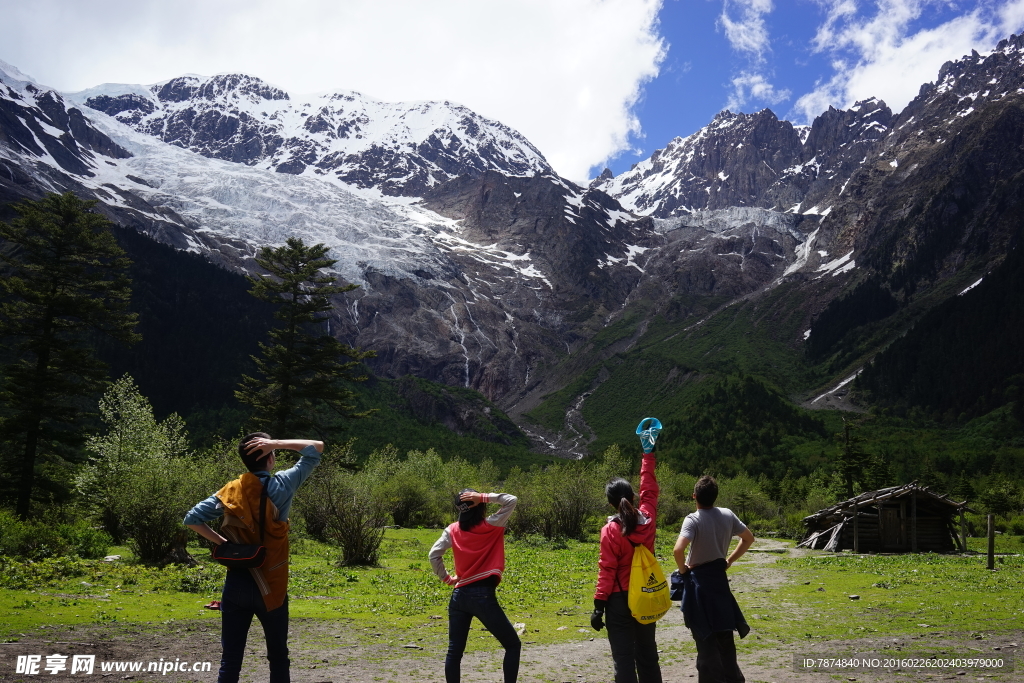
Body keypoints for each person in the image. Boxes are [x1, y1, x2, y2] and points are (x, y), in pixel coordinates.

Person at [184, 432, 323, 683]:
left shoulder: (232, 491)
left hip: (237, 583)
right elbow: (316, 448)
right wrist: (277, 443)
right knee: (278, 656)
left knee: (231, 658)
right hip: (272, 584)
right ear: (270, 458)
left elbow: (192, 519)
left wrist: (223, 543)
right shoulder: (283, 484)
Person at [591, 422, 662, 683]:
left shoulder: (610, 530)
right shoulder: (648, 518)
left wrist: (599, 606)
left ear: (610, 502)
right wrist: (648, 454)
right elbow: (650, 488)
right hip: (645, 595)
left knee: (623, 659)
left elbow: (607, 569)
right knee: (648, 655)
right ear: (633, 497)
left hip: (620, 600)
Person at [429, 488, 521, 683]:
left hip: (459, 596)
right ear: (481, 507)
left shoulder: (452, 530)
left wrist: (446, 579)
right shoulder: (492, 524)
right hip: (482, 595)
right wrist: (483, 497)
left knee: (454, 652)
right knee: (512, 645)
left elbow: (434, 555)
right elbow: (511, 500)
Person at [673, 475, 755, 683]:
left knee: (705, 640)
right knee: (725, 638)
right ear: (715, 497)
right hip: (719, 583)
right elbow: (748, 538)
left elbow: (678, 549)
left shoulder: (693, 519)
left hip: (699, 587)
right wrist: (729, 560)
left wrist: (683, 571)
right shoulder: (727, 515)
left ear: (694, 496)